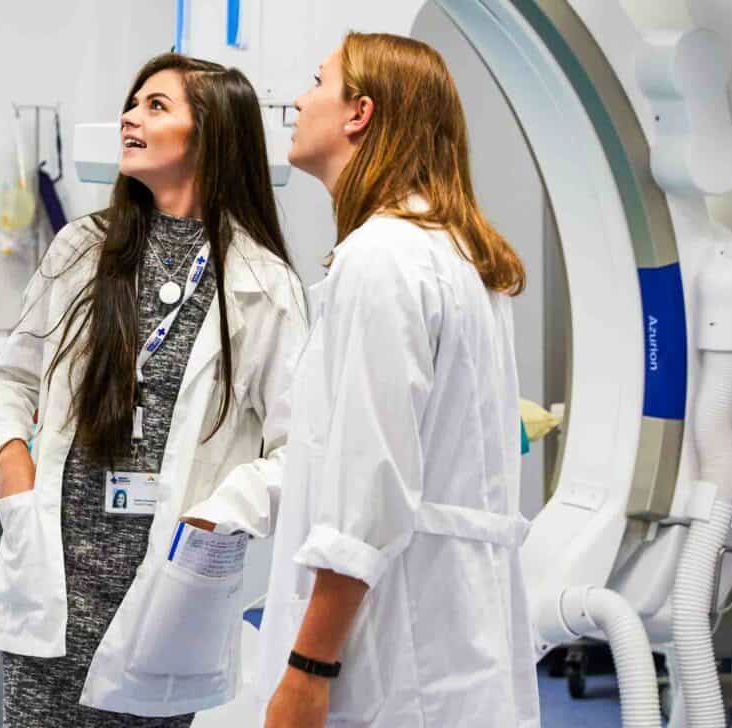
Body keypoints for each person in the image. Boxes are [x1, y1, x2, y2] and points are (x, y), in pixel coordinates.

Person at [0, 53, 308, 725]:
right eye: (135, 103)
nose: (130, 116)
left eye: (157, 106)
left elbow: (302, 448)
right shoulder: (80, 250)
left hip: (164, 599)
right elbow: (9, 378)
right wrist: (13, 470)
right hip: (53, 589)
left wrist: (217, 515)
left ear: (211, 135)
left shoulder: (262, 284)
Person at [252, 32, 540, 727]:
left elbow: (368, 489)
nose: (297, 100)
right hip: (456, 634)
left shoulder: (381, 256)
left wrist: (308, 668)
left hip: (392, 649)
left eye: (317, 82)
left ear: (359, 113)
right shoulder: (456, 255)